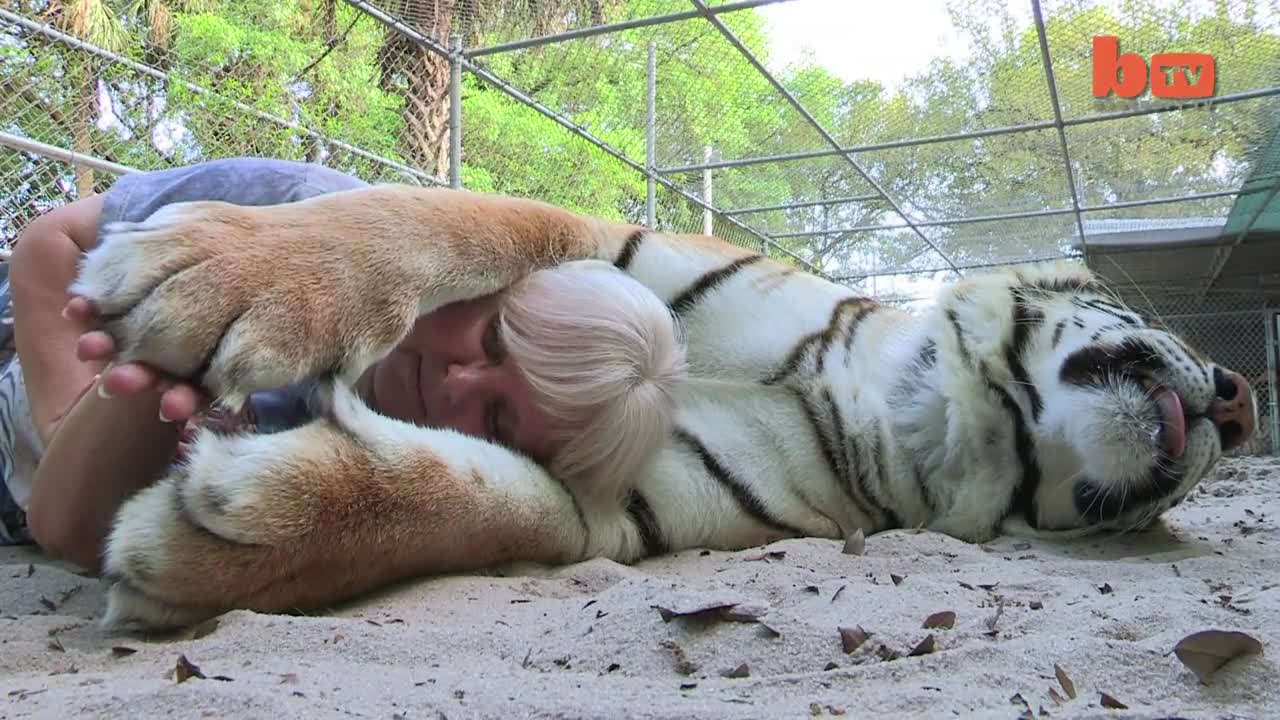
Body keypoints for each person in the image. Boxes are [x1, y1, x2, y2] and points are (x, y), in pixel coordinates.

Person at [1, 158, 686, 572]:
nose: (458, 381)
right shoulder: (304, 212)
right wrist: (66, 409)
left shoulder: (374, 484)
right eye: (496, 340)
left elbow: (77, 533)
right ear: (494, 283)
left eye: (498, 417)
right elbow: (51, 240)